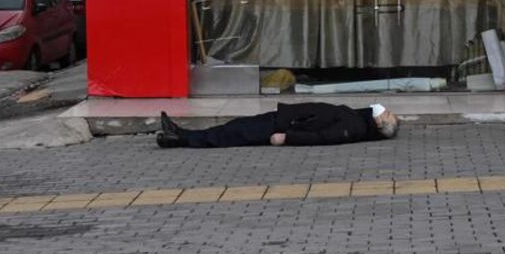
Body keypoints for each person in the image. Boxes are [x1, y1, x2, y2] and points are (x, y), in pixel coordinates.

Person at [155, 102, 398, 149]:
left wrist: (287, 137)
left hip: (285, 126)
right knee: (235, 127)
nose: (386, 111)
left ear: (380, 123)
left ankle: (180, 138)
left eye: (388, 114)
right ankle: (180, 134)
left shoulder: (354, 127)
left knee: (234, 133)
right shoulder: (360, 119)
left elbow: (323, 137)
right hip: (285, 118)